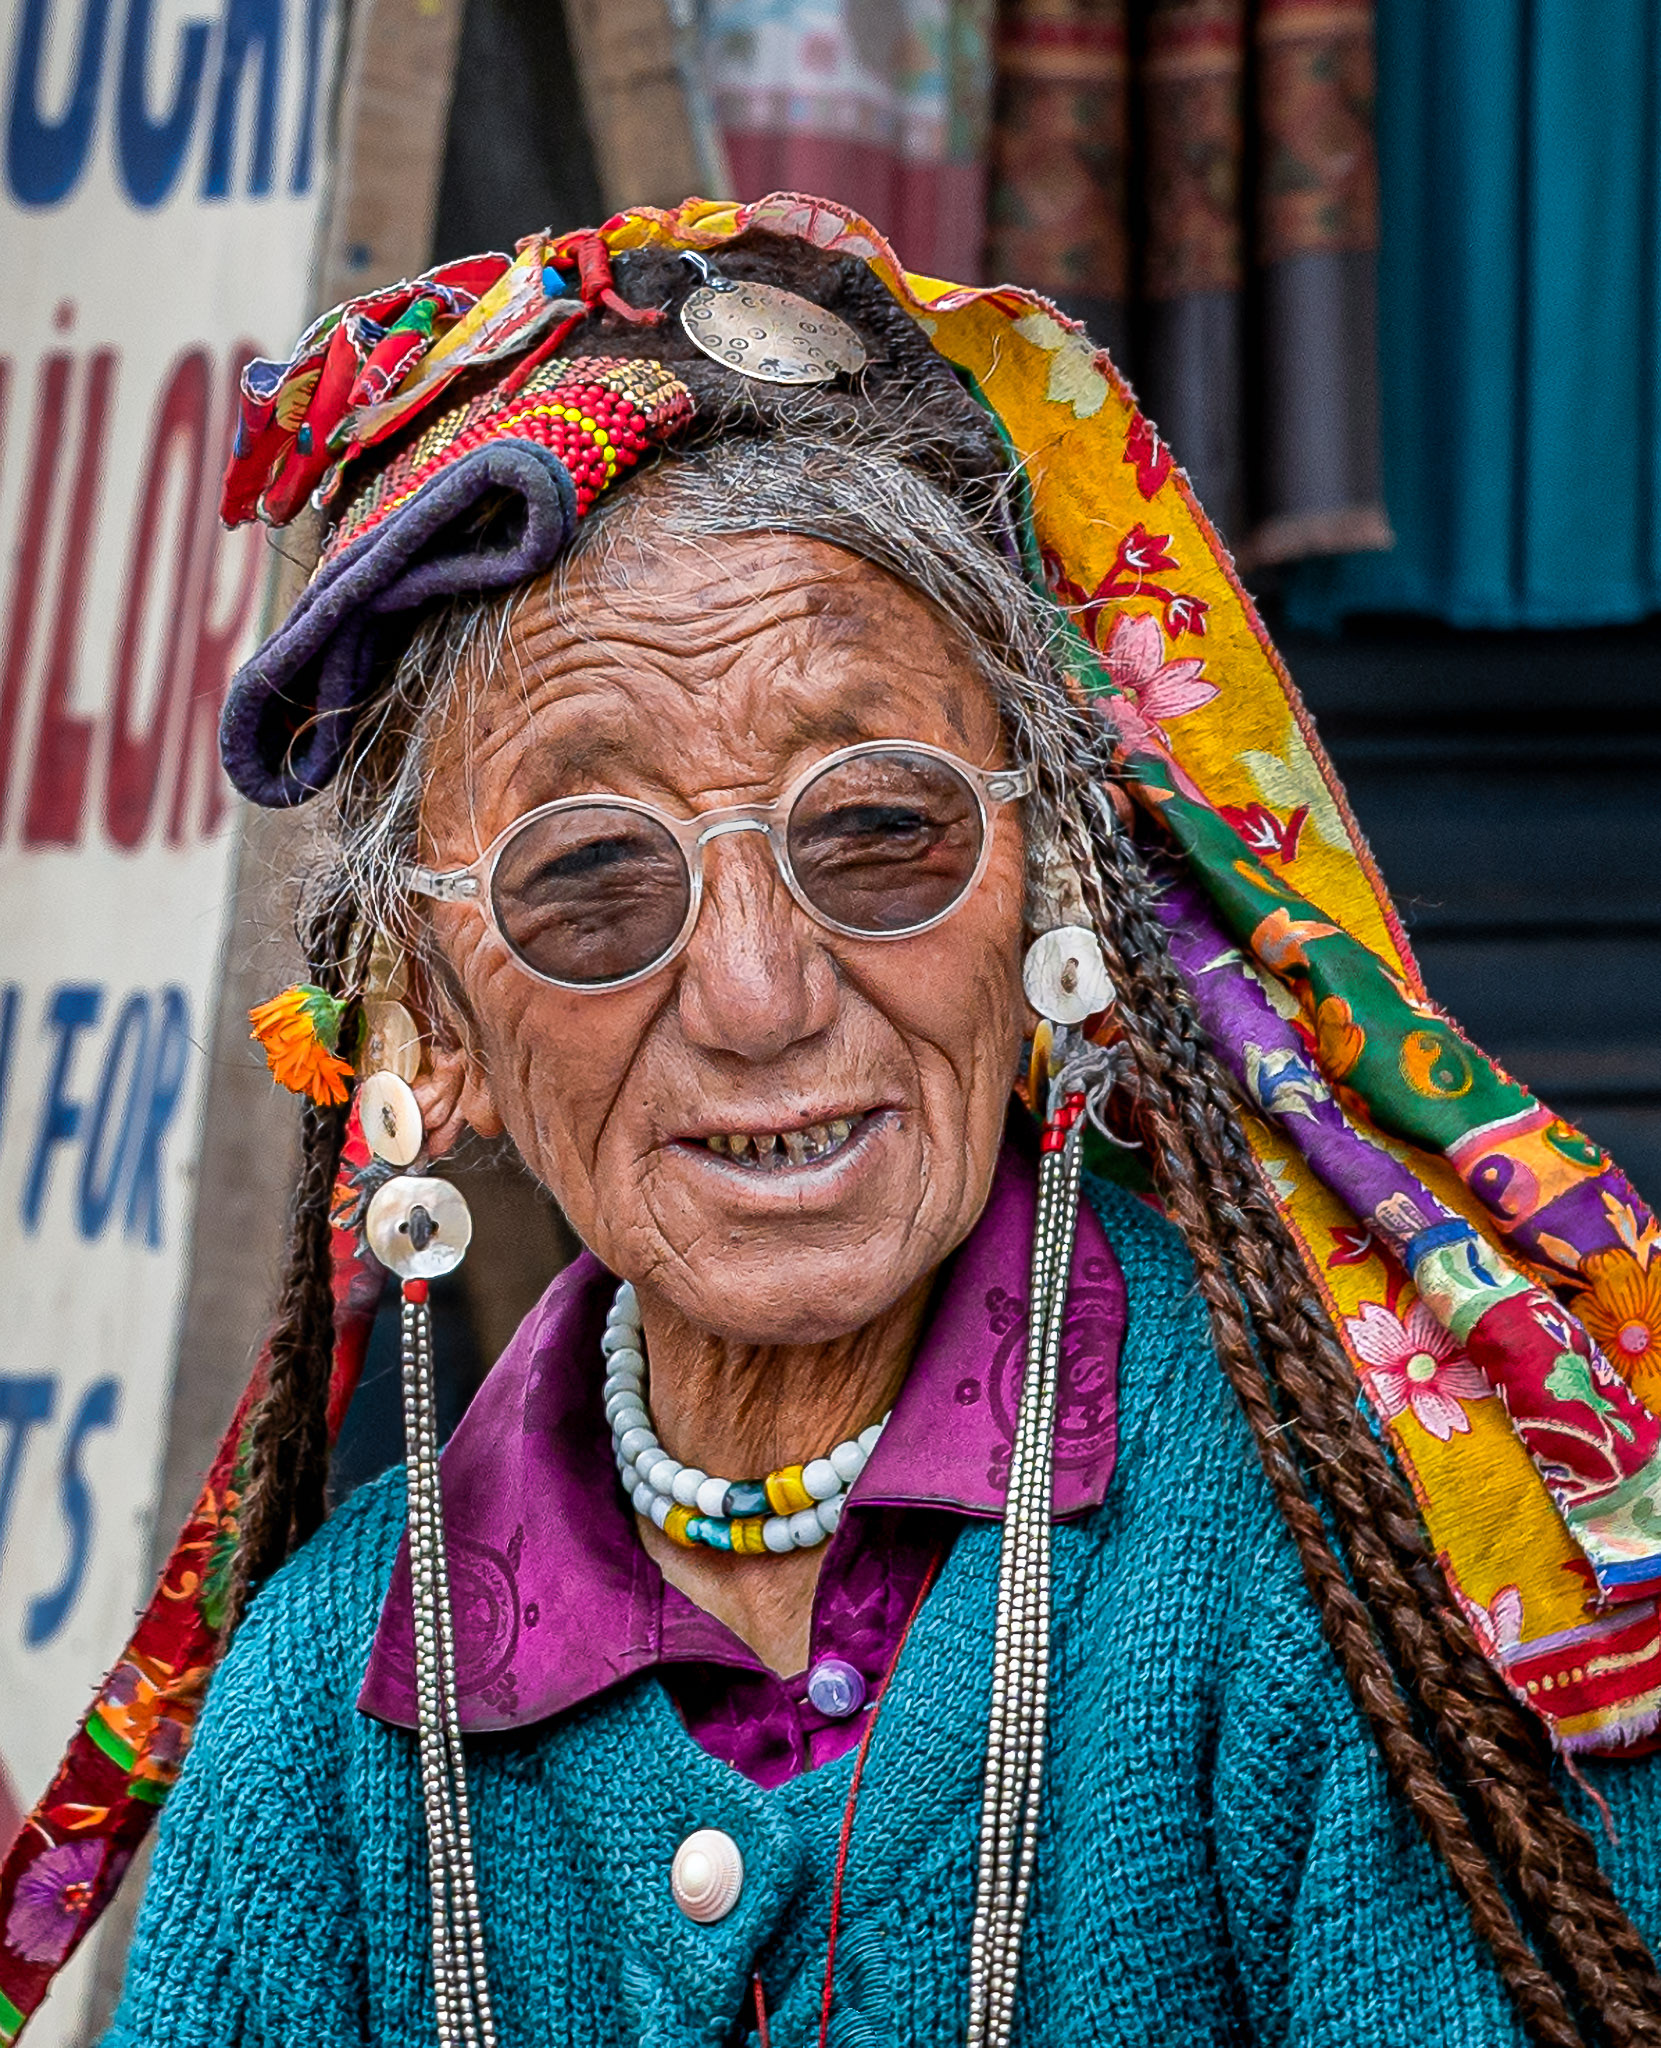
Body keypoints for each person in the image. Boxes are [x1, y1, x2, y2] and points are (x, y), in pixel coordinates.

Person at [14, 197, 1661, 2047]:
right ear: (428, 1022)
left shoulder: (1360, 1553)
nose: (757, 995)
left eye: (878, 831)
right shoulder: (328, 1710)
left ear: (1052, 883)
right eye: (589, 885)